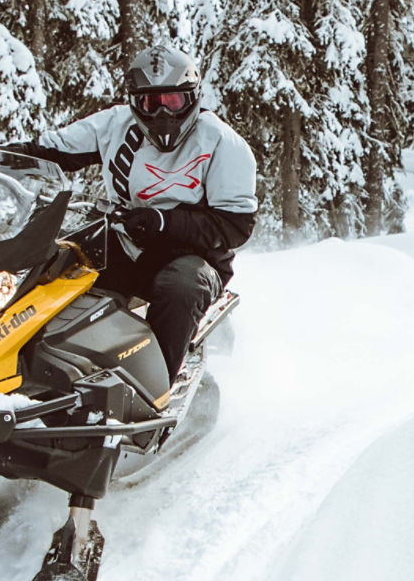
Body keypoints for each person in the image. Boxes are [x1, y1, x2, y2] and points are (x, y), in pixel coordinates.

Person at [14, 43, 258, 379]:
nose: (163, 115)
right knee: (56, 270)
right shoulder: (115, 124)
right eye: (150, 102)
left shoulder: (221, 143)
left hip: (195, 258)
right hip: (124, 243)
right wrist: (5, 158)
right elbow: (53, 149)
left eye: (173, 101)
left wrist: (164, 222)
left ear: (192, 98)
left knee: (180, 287)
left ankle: (156, 385)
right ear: (134, 102)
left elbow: (235, 225)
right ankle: (38, 372)